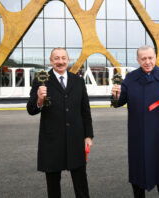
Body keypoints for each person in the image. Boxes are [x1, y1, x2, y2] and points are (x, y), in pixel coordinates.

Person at [111, 45, 159, 198]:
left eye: (150, 58)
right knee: (138, 174)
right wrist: (116, 95)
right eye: (143, 59)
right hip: (138, 137)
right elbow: (118, 102)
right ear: (138, 60)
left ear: (155, 57)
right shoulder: (130, 78)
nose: (147, 62)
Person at [27, 47, 93, 198]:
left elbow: (85, 111)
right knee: (53, 186)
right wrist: (39, 100)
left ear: (68, 60)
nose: (60, 61)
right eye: (56, 58)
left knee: (81, 183)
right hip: (52, 140)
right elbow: (31, 109)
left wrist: (88, 136)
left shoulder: (78, 81)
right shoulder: (41, 80)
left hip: (76, 139)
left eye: (63, 58)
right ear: (51, 61)